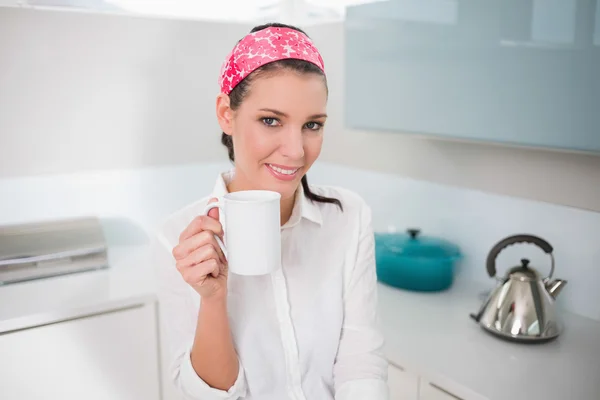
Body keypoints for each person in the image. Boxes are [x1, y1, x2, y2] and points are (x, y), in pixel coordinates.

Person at [154, 22, 389, 400]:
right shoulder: (178, 238)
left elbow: (361, 362)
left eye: (312, 125)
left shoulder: (349, 216)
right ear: (226, 114)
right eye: (271, 120)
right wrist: (213, 298)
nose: (296, 150)